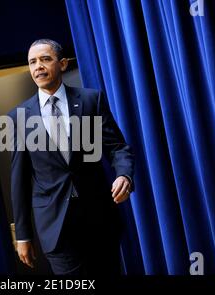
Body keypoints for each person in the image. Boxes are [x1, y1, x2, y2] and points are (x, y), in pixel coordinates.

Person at [8, 39, 135, 275]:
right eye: (32, 62)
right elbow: (19, 179)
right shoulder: (18, 117)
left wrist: (124, 175)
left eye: (45, 59)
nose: (38, 67)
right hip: (56, 228)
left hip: (99, 220)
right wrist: (23, 236)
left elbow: (117, 147)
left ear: (63, 64)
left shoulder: (91, 100)